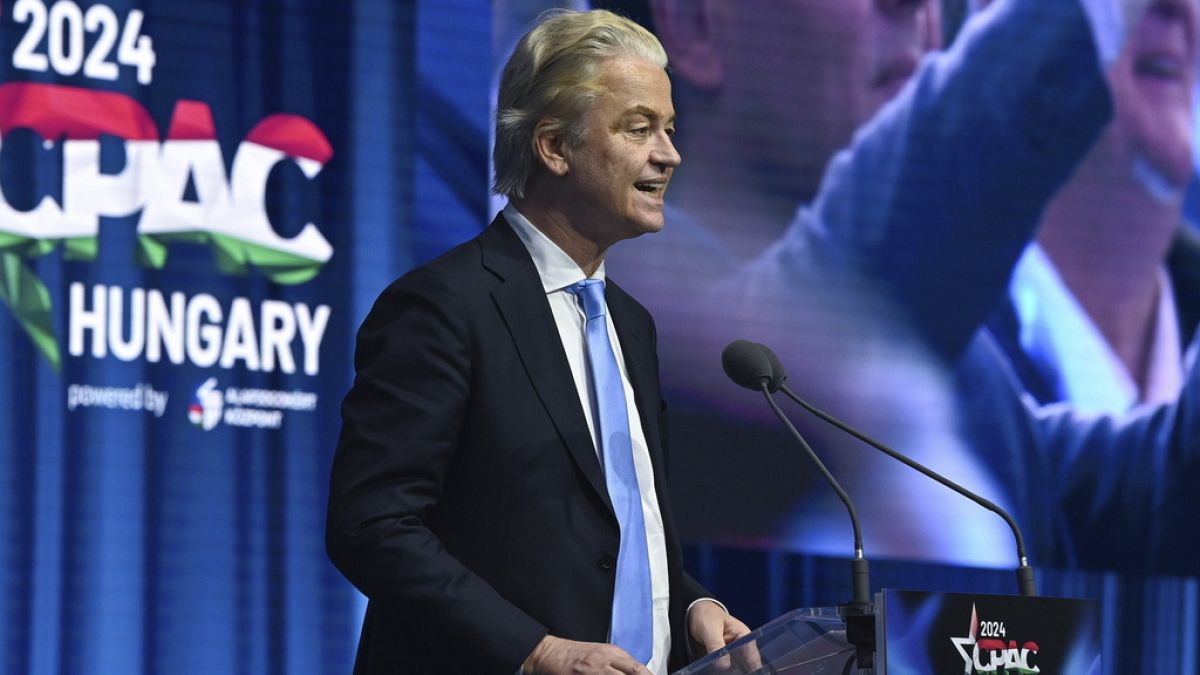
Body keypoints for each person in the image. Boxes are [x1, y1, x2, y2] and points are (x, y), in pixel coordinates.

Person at [325, 9, 749, 675]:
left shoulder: (631, 325)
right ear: (554, 146)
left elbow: (612, 541)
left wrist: (690, 605)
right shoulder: (444, 306)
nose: (669, 154)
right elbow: (372, 526)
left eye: (669, 129)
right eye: (639, 128)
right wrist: (535, 650)